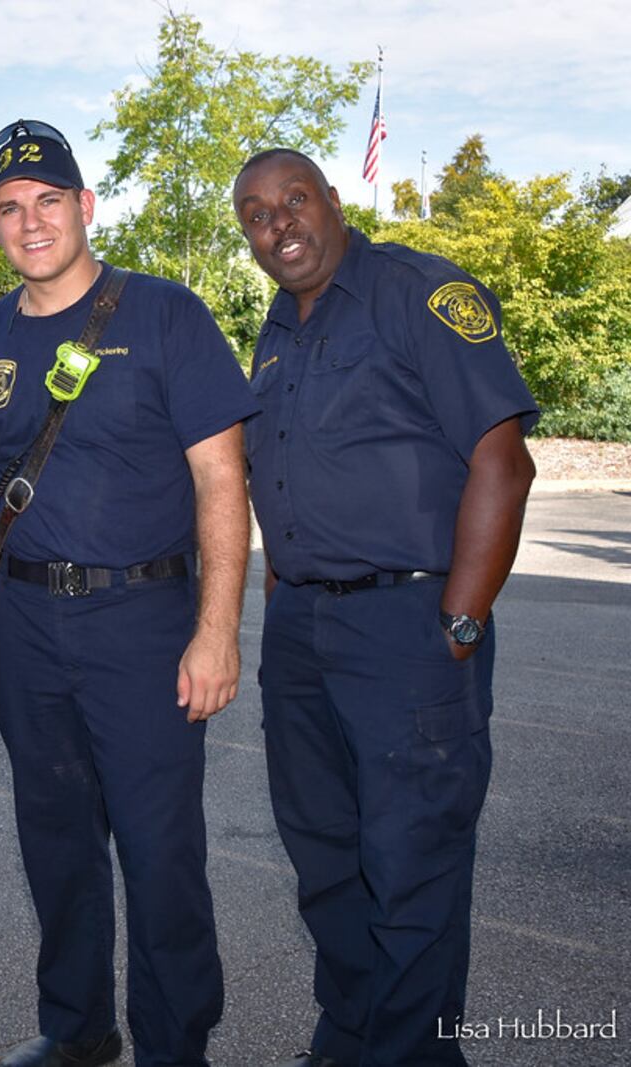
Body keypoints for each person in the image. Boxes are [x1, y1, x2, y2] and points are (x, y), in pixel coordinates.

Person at [0, 120, 257, 1067]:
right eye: (10, 207)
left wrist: (216, 631)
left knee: (160, 851)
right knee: (55, 839)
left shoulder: (165, 313)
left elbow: (221, 477)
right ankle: (76, 1027)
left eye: (49, 201)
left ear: (86, 206)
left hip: (145, 617)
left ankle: (175, 1045)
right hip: (28, 620)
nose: (30, 222)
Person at [231, 149, 537, 1067]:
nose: (278, 223)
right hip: (303, 630)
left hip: (408, 626)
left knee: (412, 865)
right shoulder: (277, 329)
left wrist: (462, 618)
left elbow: (502, 458)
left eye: (294, 199)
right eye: (255, 214)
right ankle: (352, 1039)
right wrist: (284, 601)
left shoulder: (420, 292)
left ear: (333, 199)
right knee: (327, 858)